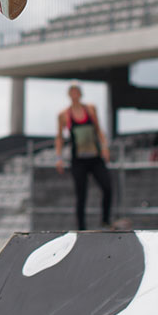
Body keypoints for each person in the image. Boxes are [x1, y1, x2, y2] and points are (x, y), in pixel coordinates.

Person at [55, 85, 113, 230]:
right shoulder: (64, 115)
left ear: (80, 94)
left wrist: (105, 147)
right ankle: (81, 228)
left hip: (94, 157)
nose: (75, 95)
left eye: (77, 92)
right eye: (72, 92)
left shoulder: (90, 109)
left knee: (107, 187)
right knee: (81, 194)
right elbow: (59, 137)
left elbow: (99, 130)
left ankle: (105, 220)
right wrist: (58, 157)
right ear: (69, 95)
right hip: (78, 159)